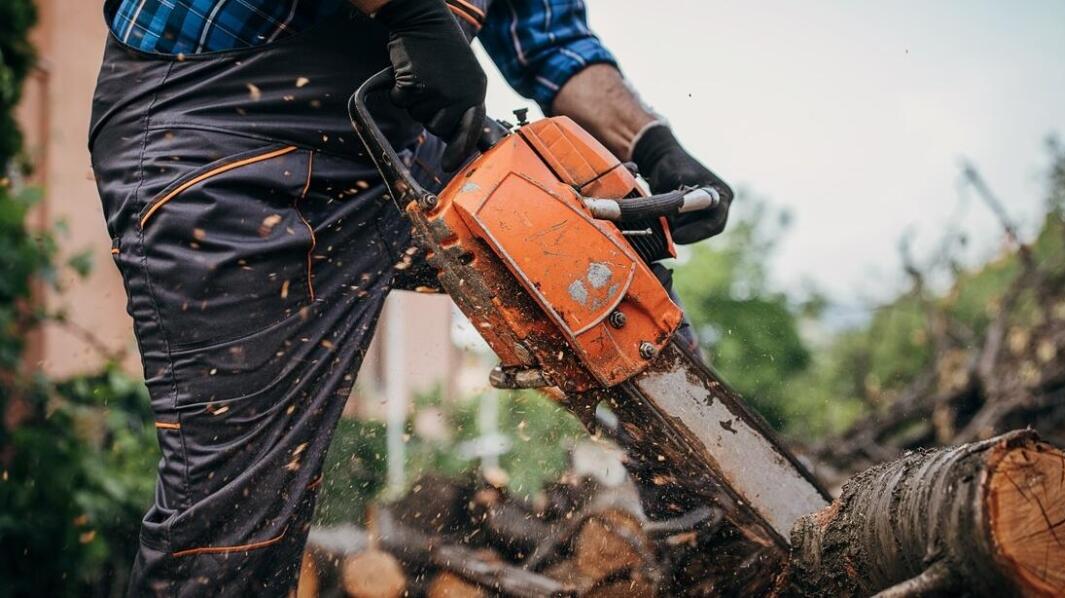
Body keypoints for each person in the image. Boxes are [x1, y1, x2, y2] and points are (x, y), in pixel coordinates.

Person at [89, 0, 733, 595]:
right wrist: (408, 9)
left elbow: (548, 37)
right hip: (217, 127)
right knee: (235, 516)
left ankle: (716, 541)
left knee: (608, 282)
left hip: (394, 128)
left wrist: (652, 142)